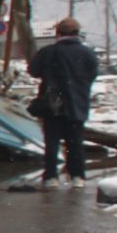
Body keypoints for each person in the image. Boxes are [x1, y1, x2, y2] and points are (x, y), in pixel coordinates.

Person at [27, 16, 99, 188]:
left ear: (58, 33)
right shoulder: (87, 53)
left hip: (52, 104)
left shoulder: (48, 51)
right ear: (77, 33)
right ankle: (77, 177)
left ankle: (51, 177)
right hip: (78, 103)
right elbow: (92, 74)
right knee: (75, 142)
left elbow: (33, 71)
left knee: (52, 142)